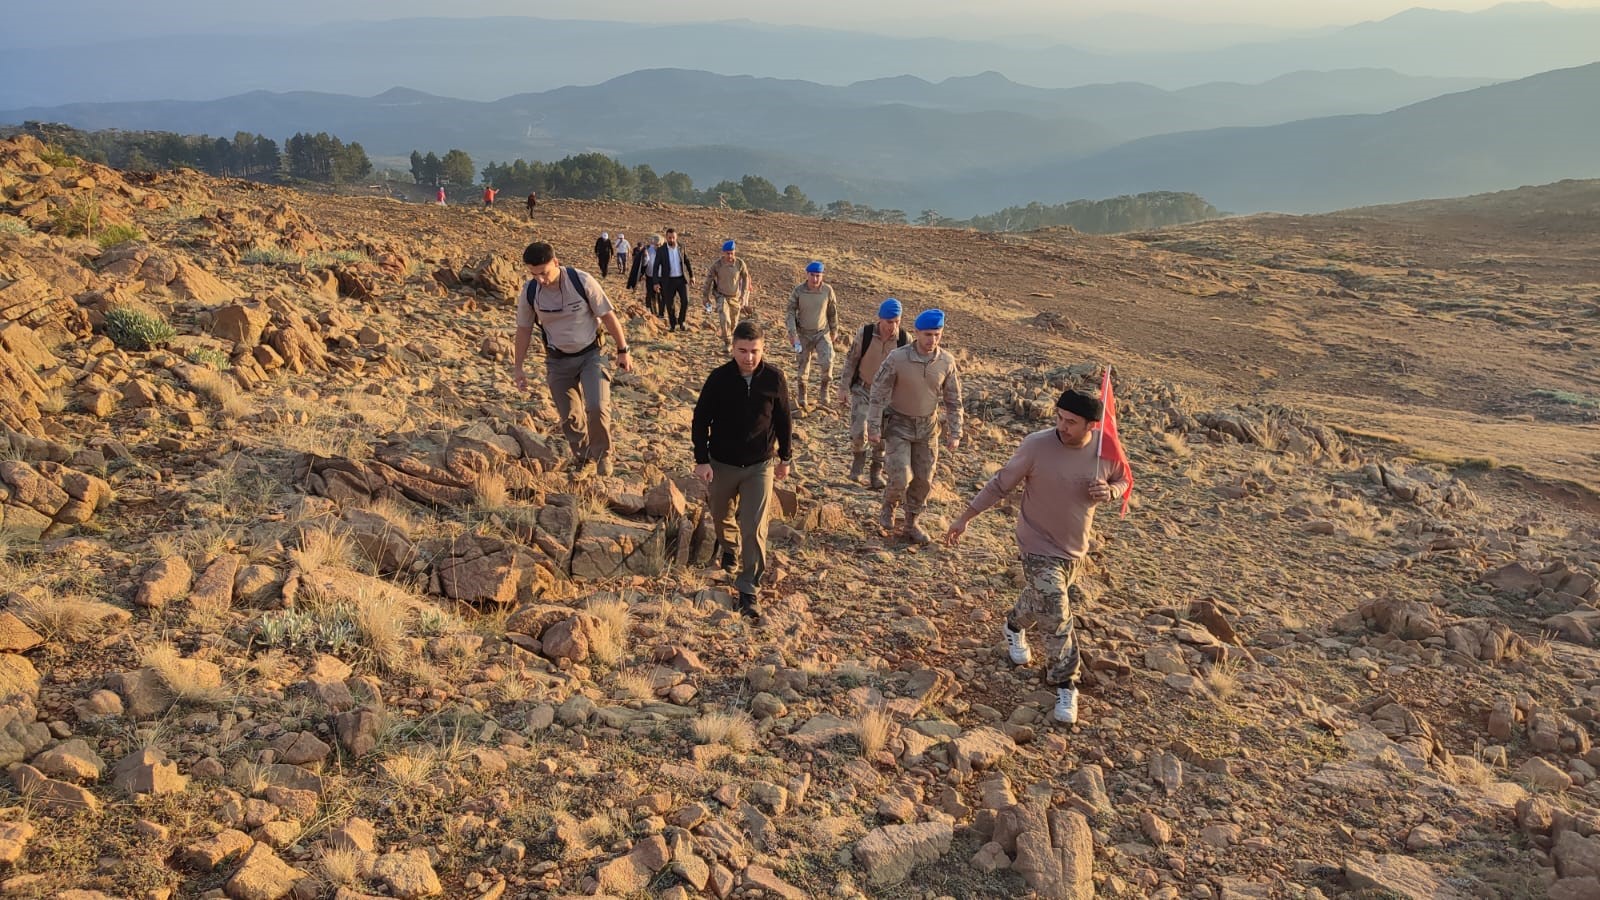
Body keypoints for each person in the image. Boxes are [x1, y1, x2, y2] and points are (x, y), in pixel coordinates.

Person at [944, 389, 1128, 725]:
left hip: (1074, 548)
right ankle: (1065, 683)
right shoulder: (1036, 445)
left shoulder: (1106, 449)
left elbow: (1122, 479)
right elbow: (1000, 484)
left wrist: (1111, 491)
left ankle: (1014, 625)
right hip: (1036, 543)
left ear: (1092, 424)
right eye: (1058, 417)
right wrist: (964, 518)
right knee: (1057, 610)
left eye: (1071, 422)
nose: (1061, 426)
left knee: (1040, 599)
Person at [692, 320, 793, 621]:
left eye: (755, 351)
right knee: (721, 515)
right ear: (733, 348)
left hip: (759, 465)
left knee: (754, 527)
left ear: (764, 349)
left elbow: (785, 420)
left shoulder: (774, 378)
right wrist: (702, 460)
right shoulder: (719, 379)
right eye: (743, 351)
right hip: (721, 463)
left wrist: (785, 459)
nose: (749, 357)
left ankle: (748, 590)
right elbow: (700, 421)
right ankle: (729, 549)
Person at [512, 241, 635, 476]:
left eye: (544, 273)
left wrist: (623, 350)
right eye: (534, 274)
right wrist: (518, 367)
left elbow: (608, 317)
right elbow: (523, 330)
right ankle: (583, 457)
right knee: (569, 416)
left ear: (556, 263)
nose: (540, 280)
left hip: (592, 355)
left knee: (597, 406)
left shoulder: (581, 281)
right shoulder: (530, 292)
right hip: (557, 361)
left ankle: (602, 455)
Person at [867, 308, 962, 544]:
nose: (932, 340)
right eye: (928, 334)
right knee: (900, 476)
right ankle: (889, 505)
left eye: (937, 335)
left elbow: (953, 400)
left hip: (928, 428)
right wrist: (874, 426)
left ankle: (911, 523)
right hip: (899, 423)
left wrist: (955, 431)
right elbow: (878, 392)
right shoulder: (898, 358)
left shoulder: (946, 362)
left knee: (923, 479)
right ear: (917, 332)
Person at [838, 298, 909, 486]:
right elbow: (851, 360)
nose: (892, 326)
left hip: (888, 396)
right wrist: (844, 387)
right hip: (863, 389)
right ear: (880, 319)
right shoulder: (866, 333)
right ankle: (858, 464)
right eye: (889, 322)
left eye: (896, 322)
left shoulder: (904, 340)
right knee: (859, 431)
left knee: (882, 436)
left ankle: (876, 473)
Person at [785, 260, 839, 412]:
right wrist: (793, 334)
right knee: (803, 364)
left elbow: (832, 312)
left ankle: (824, 390)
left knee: (828, 360)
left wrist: (834, 331)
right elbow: (790, 312)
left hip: (822, 332)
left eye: (818, 276)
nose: (815, 279)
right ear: (807, 275)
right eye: (812, 275)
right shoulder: (799, 291)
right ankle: (802, 394)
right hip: (803, 333)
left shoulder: (827, 291)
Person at [704, 240, 753, 351]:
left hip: (735, 297)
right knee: (724, 318)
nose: (730, 256)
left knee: (734, 321)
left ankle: (730, 337)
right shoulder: (717, 265)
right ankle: (728, 342)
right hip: (721, 296)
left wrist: (743, 294)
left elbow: (746, 278)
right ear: (723, 253)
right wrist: (705, 296)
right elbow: (709, 280)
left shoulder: (740, 263)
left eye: (732, 253)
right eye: (727, 253)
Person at [652, 228, 694, 332]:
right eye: (669, 238)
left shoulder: (681, 247)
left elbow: (687, 261)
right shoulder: (661, 250)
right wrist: (656, 282)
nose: (671, 240)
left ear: (676, 237)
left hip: (681, 279)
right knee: (670, 304)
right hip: (668, 281)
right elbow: (656, 267)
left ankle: (681, 321)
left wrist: (692, 275)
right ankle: (672, 324)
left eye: (673, 238)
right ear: (666, 238)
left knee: (685, 301)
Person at [628, 234, 664, 318]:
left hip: (661, 277)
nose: (657, 246)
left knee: (661, 296)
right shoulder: (648, 250)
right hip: (650, 276)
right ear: (653, 243)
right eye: (656, 245)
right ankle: (653, 313)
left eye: (659, 245)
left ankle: (661, 314)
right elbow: (644, 263)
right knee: (651, 295)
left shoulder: (664, 251)